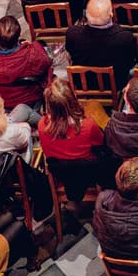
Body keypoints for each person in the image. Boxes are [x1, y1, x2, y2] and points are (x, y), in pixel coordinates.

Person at [37, 78, 105, 207]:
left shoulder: (42, 126)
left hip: (62, 175)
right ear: (73, 99)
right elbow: (101, 144)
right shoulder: (88, 126)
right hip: (89, 173)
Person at [0, 17, 54, 121]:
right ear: (18, 35)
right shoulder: (32, 54)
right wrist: (31, 46)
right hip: (29, 99)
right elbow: (47, 62)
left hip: (0, 100)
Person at [65, 0, 138, 85]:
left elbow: (70, 56)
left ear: (86, 14)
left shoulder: (72, 34)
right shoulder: (125, 37)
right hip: (115, 84)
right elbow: (130, 63)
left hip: (82, 83)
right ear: (111, 14)